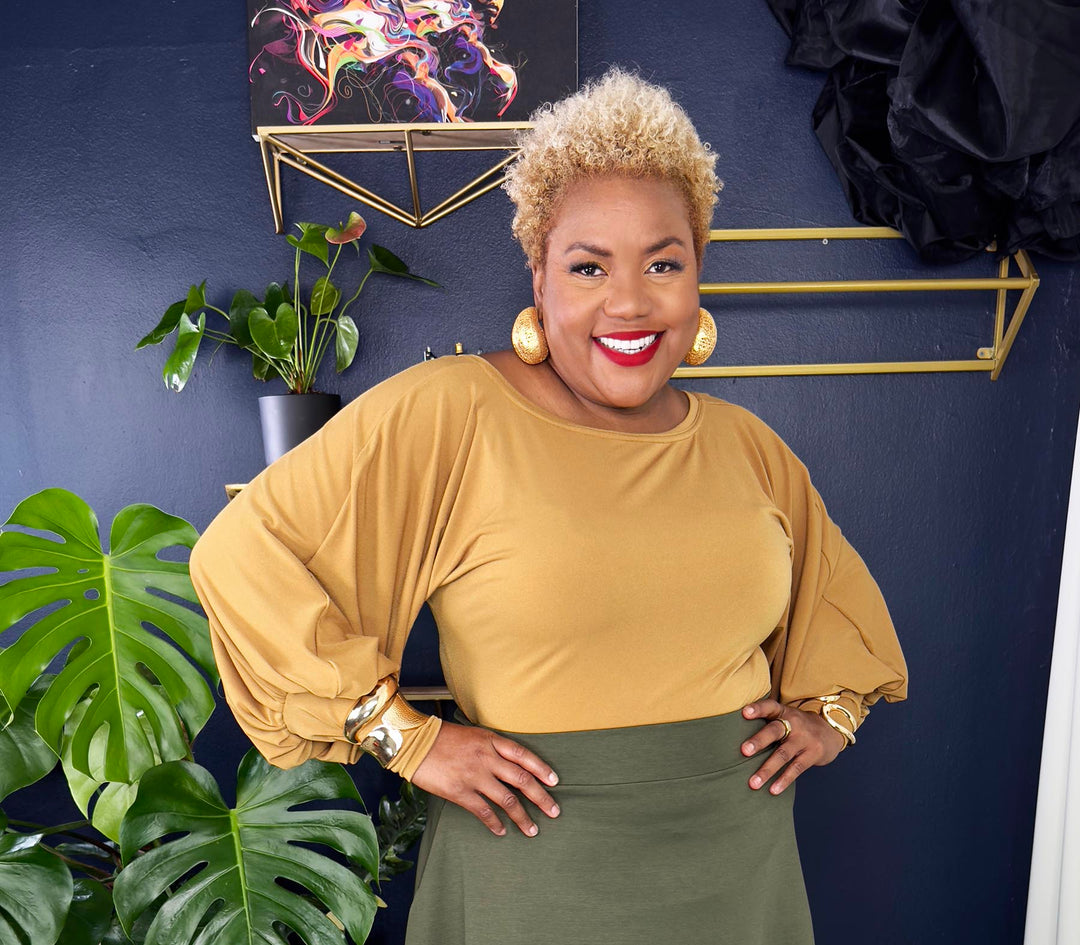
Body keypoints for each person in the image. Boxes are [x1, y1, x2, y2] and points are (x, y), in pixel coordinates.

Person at [190, 68, 908, 945]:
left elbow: (838, 611)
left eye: (663, 262)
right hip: (530, 886)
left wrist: (833, 715)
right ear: (540, 276)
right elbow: (240, 551)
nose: (630, 302)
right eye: (589, 266)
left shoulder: (745, 446)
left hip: (737, 876)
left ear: (697, 275)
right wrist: (400, 736)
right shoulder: (453, 411)